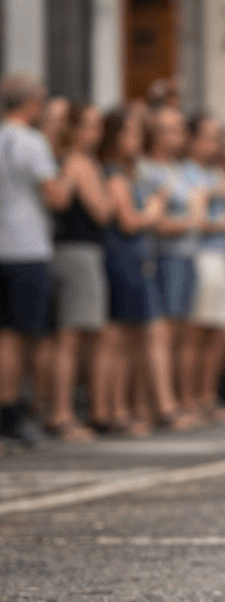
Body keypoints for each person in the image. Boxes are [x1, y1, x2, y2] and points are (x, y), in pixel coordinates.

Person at [0, 74, 73, 445]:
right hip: (27, 246)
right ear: (28, 103)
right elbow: (56, 197)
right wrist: (70, 180)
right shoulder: (31, 142)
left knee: (7, 334)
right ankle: (16, 409)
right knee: (25, 334)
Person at [97, 105, 170, 437]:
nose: (137, 140)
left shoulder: (131, 173)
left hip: (137, 258)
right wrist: (154, 211)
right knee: (119, 339)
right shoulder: (113, 173)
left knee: (133, 339)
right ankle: (112, 411)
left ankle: (128, 409)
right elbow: (128, 221)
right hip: (122, 258)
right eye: (130, 133)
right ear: (115, 137)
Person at [50, 103, 114, 441]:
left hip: (71, 251)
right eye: (89, 125)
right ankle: (62, 414)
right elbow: (102, 211)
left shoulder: (65, 160)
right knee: (72, 337)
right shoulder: (78, 162)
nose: (96, 133)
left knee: (75, 337)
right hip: (79, 253)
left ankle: (72, 411)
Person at [139, 105, 203, 430]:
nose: (178, 136)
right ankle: (160, 405)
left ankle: (174, 399)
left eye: (180, 129)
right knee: (159, 332)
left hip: (187, 254)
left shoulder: (183, 170)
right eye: (172, 129)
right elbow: (155, 220)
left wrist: (193, 220)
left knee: (179, 332)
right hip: (162, 256)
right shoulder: (146, 170)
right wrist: (189, 221)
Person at [185, 115, 225, 423]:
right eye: (208, 137)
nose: (215, 144)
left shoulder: (219, 174)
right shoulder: (188, 174)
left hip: (224, 254)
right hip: (202, 255)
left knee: (223, 331)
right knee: (199, 330)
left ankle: (207, 395)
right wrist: (220, 220)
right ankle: (190, 397)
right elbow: (196, 218)